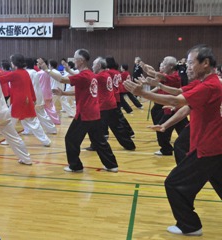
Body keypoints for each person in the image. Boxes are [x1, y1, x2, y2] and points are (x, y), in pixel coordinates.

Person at [124, 44, 222, 236]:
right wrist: (166, 124)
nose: (188, 67)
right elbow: (179, 97)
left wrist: (142, 93)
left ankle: (190, 225)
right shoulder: (205, 83)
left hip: (208, 147)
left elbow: (175, 102)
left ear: (205, 63)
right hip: (213, 145)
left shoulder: (211, 85)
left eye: (192, 62)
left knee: (174, 183)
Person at [38, 49, 119, 173]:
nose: (73, 60)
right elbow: (81, 92)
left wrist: (45, 68)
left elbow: (62, 79)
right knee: (99, 140)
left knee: (70, 139)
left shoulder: (84, 75)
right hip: (94, 112)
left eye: (75, 58)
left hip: (85, 113)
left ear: (81, 61)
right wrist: (63, 93)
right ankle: (111, 165)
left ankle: (75, 166)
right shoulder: (90, 74)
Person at [0, 54, 51, 147]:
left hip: (18, 102)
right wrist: (33, 98)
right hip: (26, 100)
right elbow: (30, 86)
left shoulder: (15, 73)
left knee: (10, 121)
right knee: (32, 122)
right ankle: (46, 141)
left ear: (14, 63)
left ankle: (9, 140)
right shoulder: (25, 72)